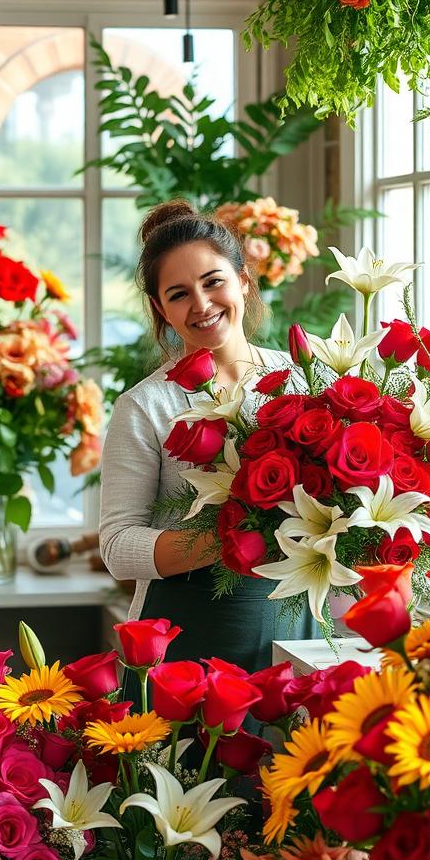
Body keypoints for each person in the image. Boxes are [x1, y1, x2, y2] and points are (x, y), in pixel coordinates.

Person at [99, 199, 315, 674]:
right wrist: (238, 539)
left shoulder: (305, 379)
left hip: (299, 629)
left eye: (213, 282)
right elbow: (117, 547)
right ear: (161, 310)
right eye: (178, 294)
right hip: (184, 645)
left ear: (243, 279)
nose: (201, 304)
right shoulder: (145, 406)